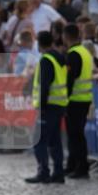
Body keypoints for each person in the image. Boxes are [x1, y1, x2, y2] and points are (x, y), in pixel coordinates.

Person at [25, 30, 67, 185]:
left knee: (39, 140)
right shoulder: (59, 57)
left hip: (48, 106)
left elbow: (44, 85)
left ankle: (43, 172)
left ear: (38, 43)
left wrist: (41, 106)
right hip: (59, 105)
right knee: (55, 141)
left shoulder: (46, 60)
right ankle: (58, 173)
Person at [64, 22, 93, 180]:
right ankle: (72, 165)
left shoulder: (74, 54)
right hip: (84, 99)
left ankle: (81, 167)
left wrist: (64, 99)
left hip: (75, 100)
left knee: (76, 135)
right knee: (75, 134)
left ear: (66, 36)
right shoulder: (85, 52)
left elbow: (70, 79)